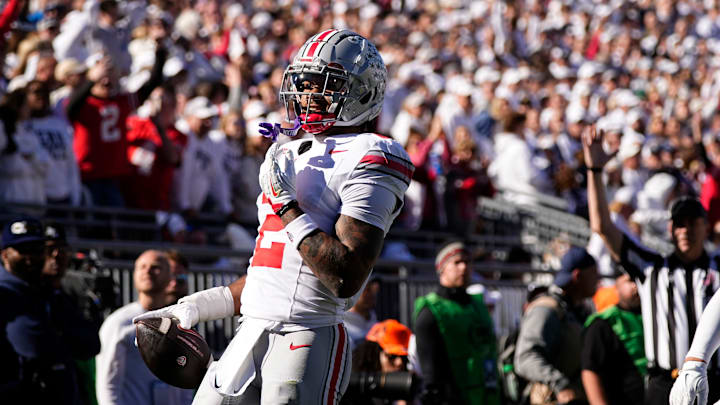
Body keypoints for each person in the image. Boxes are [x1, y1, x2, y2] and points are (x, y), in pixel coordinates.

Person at [135, 29, 412, 404]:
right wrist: (197, 306)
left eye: (324, 85)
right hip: (250, 331)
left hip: (306, 336)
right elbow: (270, 274)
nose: (308, 95)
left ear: (363, 91)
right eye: (305, 84)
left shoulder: (370, 153)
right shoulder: (293, 151)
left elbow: (344, 276)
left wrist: (286, 205)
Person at [583, 124, 720, 404]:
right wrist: (594, 171)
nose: (685, 231)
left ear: (705, 227)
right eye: (679, 225)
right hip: (663, 383)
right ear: (670, 229)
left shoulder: (718, 268)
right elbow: (602, 226)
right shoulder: (651, 268)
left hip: (713, 379)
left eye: (692, 224)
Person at [0, 217, 84, 403]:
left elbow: (88, 344)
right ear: (5, 254)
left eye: (37, 250)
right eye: (23, 250)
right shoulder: (4, 293)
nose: (31, 257)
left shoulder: (50, 293)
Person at [95, 250, 193, 405]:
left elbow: (185, 381)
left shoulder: (179, 323)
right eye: (142, 267)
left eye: (155, 267)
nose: (148, 271)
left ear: (169, 276)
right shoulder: (119, 322)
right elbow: (108, 383)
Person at [413, 241, 500, 405]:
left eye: (468, 262)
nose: (464, 267)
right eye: (457, 262)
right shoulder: (431, 310)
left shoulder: (479, 305)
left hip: (488, 396)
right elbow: (430, 373)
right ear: (442, 268)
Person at [514, 246, 598, 405]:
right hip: (554, 399)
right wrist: (559, 383)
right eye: (593, 274)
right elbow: (525, 358)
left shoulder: (580, 310)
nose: (598, 279)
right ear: (577, 275)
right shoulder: (547, 310)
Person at [41, 223, 102, 405]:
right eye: (49, 248)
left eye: (62, 248)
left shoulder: (77, 295)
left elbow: (92, 347)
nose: (57, 254)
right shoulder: (27, 297)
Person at [581, 273, 645, 405]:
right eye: (630, 280)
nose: (636, 286)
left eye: (641, 279)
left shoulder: (659, 317)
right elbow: (590, 370)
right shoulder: (602, 324)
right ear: (617, 286)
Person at [345, 277, 380, 350]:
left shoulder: (377, 325)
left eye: (375, 289)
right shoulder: (341, 326)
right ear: (353, 292)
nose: (372, 293)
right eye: (367, 289)